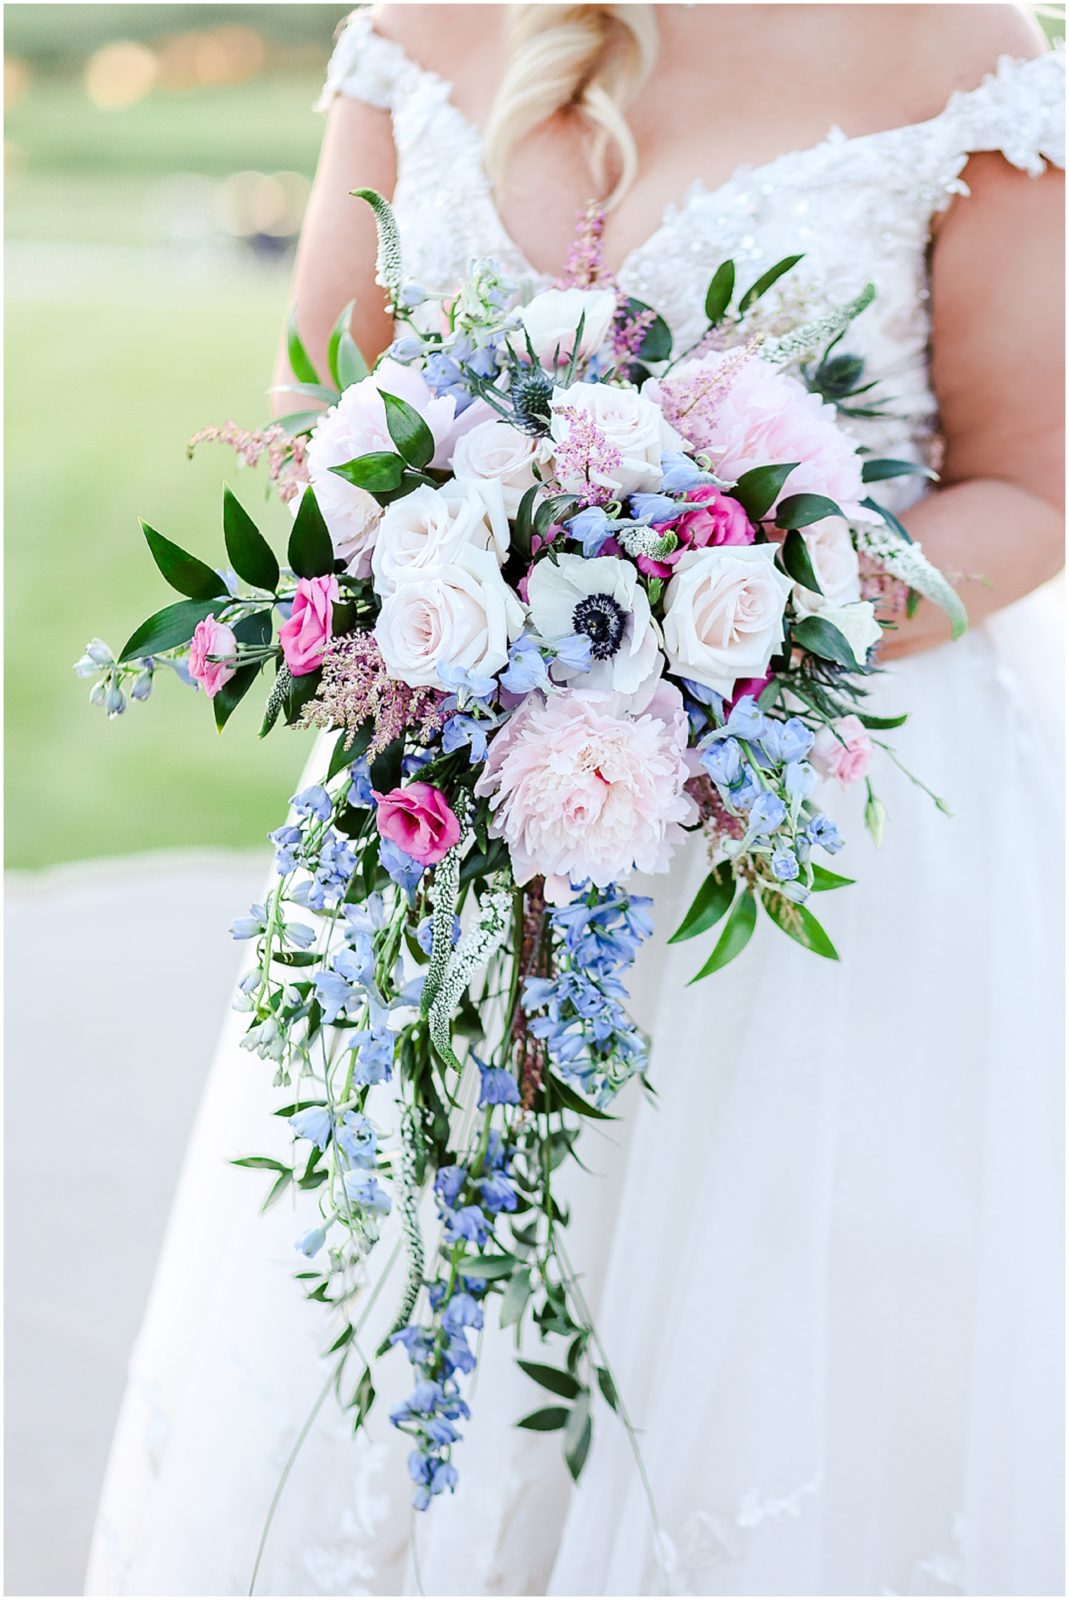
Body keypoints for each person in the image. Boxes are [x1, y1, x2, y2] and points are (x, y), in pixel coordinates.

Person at [86, 6, 1064, 1594]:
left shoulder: (958, 45)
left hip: (809, 841)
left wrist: (712, 626)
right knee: (421, 1324)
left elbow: (1029, 491)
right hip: (458, 816)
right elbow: (312, 404)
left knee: (769, 1364)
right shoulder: (415, 32)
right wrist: (453, 575)